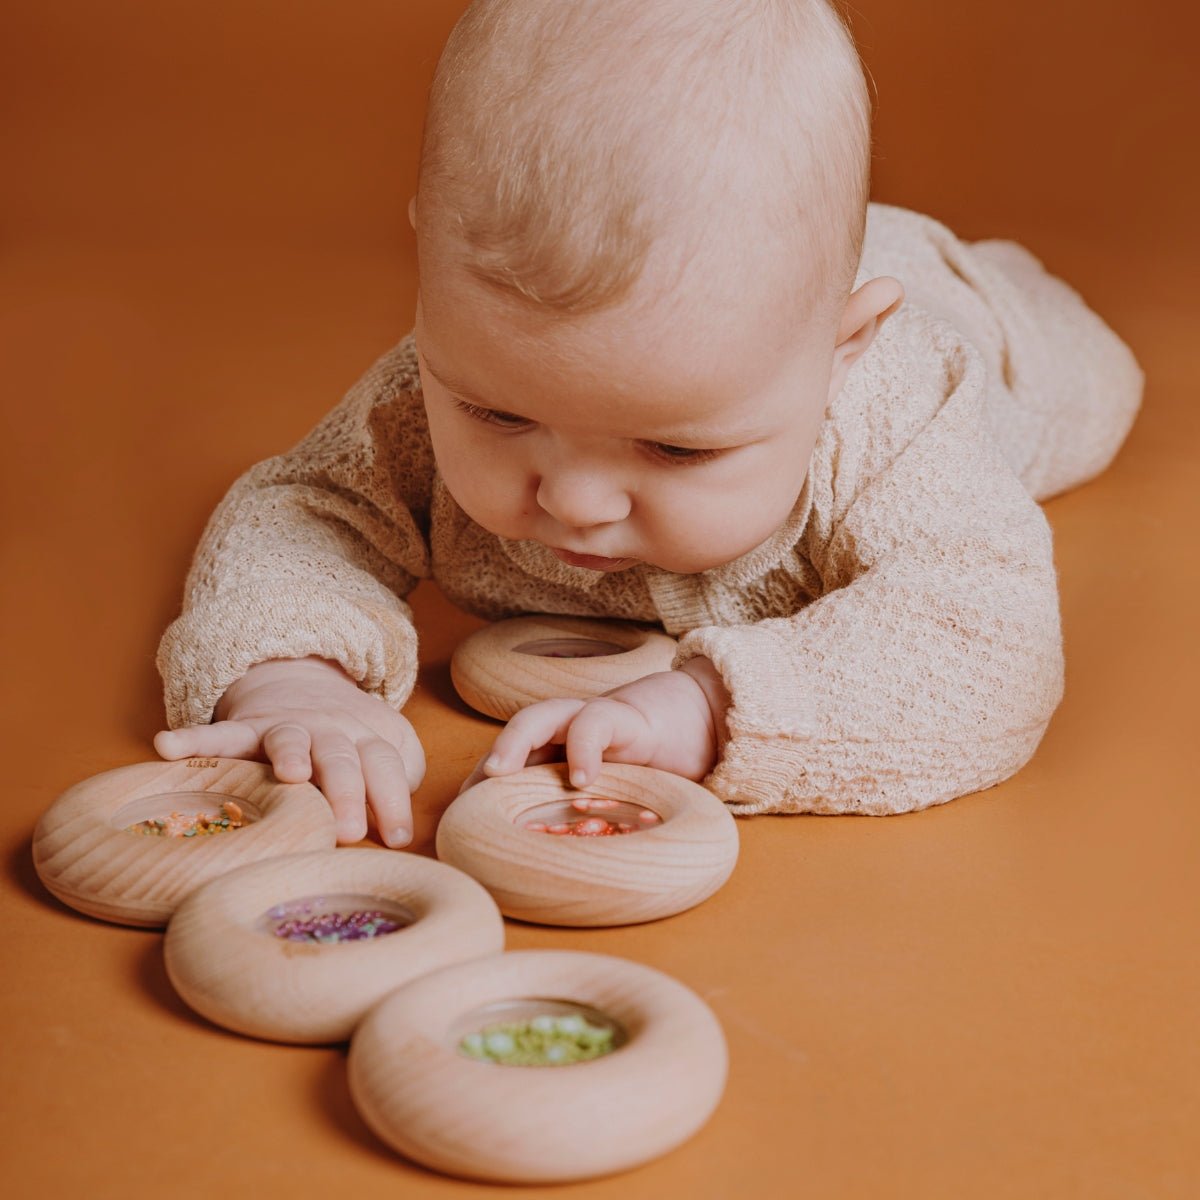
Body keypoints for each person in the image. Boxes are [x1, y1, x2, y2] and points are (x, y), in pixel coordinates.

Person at [153, 0, 1142, 848]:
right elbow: (303, 510)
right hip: (749, 296)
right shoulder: (432, 379)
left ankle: (998, 279)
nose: (571, 500)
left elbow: (985, 644)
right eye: (500, 413)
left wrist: (717, 709)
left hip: (958, 311)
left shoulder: (899, 411)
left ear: (838, 358)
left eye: (677, 446)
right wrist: (292, 675)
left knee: (1097, 387)